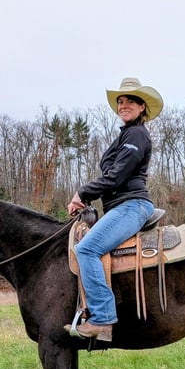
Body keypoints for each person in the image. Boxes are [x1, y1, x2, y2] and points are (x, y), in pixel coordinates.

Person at [65, 77, 163, 342]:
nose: (123, 105)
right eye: (120, 101)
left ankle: (102, 319)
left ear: (142, 107)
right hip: (120, 206)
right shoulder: (126, 134)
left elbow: (117, 176)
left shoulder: (136, 134)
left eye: (130, 101)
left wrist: (83, 193)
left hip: (132, 205)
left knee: (86, 249)